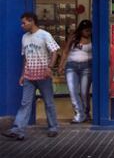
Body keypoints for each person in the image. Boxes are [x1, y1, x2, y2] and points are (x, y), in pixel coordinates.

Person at [2, 12, 60, 140]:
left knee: (49, 102)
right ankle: (18, 130)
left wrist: (49, 68)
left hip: (43, 76)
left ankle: (53, 127)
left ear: (32, 21)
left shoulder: (45, 35)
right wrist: (23, 74)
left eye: (24, 22)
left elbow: (55, 51)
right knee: (25, 103)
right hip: (29, 76)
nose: (22, 25)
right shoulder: (24, 37)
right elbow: (25, 58)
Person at [58, 20, 92, 123]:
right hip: (71, 66)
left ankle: (86, 113)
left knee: (83, 92)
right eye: (86, 30)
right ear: (81, 30)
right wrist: (61, 65)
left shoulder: (94, 38)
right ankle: (79, 114)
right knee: (72, 91)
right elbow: (66, 51)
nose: (88, 32)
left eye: (90, 30)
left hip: (87, 67)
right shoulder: (73, 38)